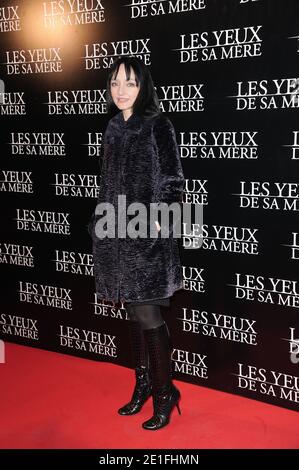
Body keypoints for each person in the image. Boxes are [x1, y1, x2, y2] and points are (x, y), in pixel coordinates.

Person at [89, 56, 185, 430]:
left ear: (143, 85)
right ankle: (142, 385)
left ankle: (165, 393)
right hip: (115, 235)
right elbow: (105, 182)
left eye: (129, 83)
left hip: (147, 235)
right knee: (132, 313)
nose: (121, 91)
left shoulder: (158, 124)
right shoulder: (112, 126)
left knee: (148, 313)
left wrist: (161, 220)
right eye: (115, 83)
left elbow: (174, 180)